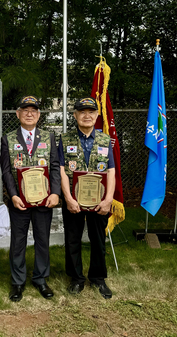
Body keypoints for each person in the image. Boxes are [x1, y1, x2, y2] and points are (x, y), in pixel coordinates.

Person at [0, 96, 61, 302]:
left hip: (44, 200)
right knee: (18, 241)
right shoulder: (7, 138)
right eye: (25, 110)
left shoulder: (49, 136)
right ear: (18, 114)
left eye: (33, 110)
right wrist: (13, 195)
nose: (29, 113)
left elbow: (54, 166)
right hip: (19, 201)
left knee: (42, 239)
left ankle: (41, 279)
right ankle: (18, 282)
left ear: (39, 115)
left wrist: (55, 193)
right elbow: (7, 171)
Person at [58, 97, 115, 299]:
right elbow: (62, 171)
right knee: (72, 239)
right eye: (82, 112)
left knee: (98, 239)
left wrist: (108, 199)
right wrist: (68, 198)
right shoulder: (65, 140)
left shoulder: (105, 140)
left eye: (91, 112)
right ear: (75, 116)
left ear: (97, 116)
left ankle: (98, 278)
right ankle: (76, 278)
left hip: (99, 200)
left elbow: (111, 172)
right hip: (74, 200)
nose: (87, 115)